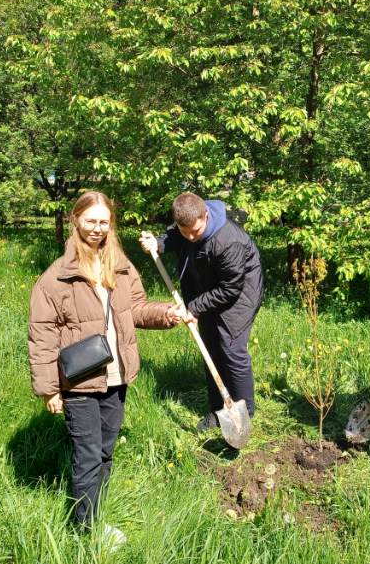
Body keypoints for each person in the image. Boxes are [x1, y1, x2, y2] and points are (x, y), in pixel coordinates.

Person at [28, 191, 186, 539]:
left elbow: (138, 309)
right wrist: (49, 389)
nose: (97, 229)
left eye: (104, 222)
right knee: (87, 456)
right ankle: (84, 532)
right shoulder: (56, 277)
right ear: (76, 221)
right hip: (80, 382)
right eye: (91, 221)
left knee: (105, 452)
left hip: (117, 377)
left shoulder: (121, 265)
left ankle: (94, 517)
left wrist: (167, 313)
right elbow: (42, 335)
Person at [139, 192, 263, 432]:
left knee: (231, 348)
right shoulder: (186, 227)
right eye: (186, 231)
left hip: (239, 294)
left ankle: (244, 412)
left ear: (205, 215)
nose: (192, 236)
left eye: (196, 231)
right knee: (210, 346)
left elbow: (230, 288)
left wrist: (193, 307)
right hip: (206, 289)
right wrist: (159, 243)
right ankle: (219, 409)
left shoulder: (228, 241)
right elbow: (175, 236)